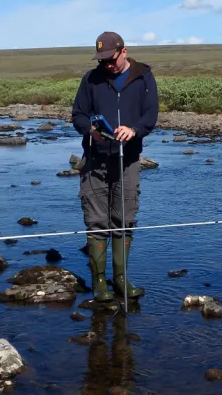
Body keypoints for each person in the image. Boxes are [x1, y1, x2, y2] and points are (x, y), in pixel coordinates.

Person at [71, 31, 159, 302]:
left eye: (110, 59)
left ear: (123, 51)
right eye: (102, 59)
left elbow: (151, 115)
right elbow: (78, 115)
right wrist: (91, 132)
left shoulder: (144, 77)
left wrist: (134, 130)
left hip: (128, 159)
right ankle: (99, 283)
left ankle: (120, 280)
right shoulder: (91, 78)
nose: (106, 64)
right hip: (95, 159)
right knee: (97, 221)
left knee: (124, 218)